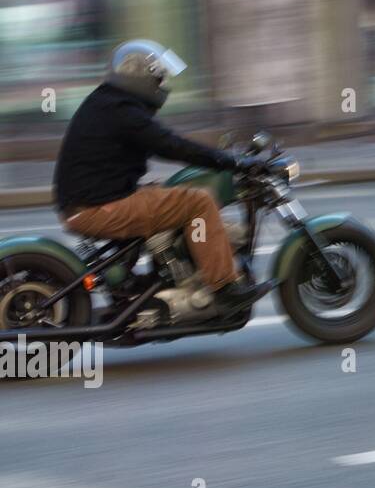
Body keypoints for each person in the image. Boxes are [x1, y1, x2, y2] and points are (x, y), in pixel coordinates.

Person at [53, 40, 275, 312]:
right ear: (139, 77)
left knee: (169, 192)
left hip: (90, 202)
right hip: (96, 208)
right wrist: (232, 161)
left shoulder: (108, 103)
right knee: (198, 203)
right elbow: (171, 145)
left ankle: (159, 277)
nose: (161, 85)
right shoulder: (122, 111)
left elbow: (164, 144)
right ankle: (224, 287)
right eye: (158, 78)